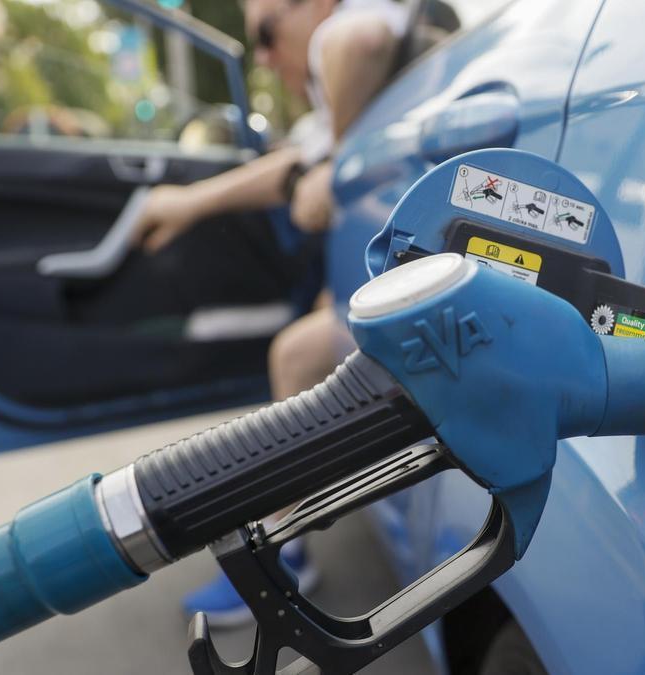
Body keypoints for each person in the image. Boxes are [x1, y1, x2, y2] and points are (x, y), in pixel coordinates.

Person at [132, 0, 409, 626]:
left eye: (265, 31)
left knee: (298, 351)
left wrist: (336, 171)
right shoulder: (337, 100)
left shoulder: (356, 28)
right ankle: (286, 546)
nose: (260, 55)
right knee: (300, 349)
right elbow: (292, 165)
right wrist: (189, 204)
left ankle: (283, 551)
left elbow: (356, 41)